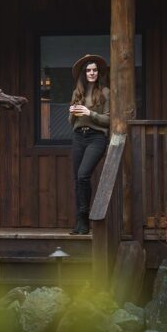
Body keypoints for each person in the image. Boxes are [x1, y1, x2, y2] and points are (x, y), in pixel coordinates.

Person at [68, 54, 110, 235]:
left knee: (84, 175)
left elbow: (109, 120)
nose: (91, 73)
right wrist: (72, 112)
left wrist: (89, 113)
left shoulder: (106, 92)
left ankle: (85, 217)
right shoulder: (77, 93)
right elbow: (72, 123)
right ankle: (80, 223)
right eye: (88, 70)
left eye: (94, 70)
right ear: (83, 74)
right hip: (78, 137)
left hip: (96, 138)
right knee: (78, 179)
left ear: (98, 72)